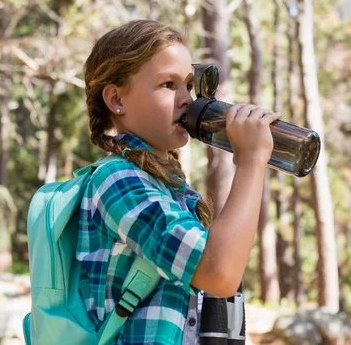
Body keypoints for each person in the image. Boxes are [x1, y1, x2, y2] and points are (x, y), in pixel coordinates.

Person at [79, 19, 281, 344]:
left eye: (188, 84)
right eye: (168, 85)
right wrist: (250, 161)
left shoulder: (170, 189)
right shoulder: (117, 179)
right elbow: (219, 274)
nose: (187, 98)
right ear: (116, 99)